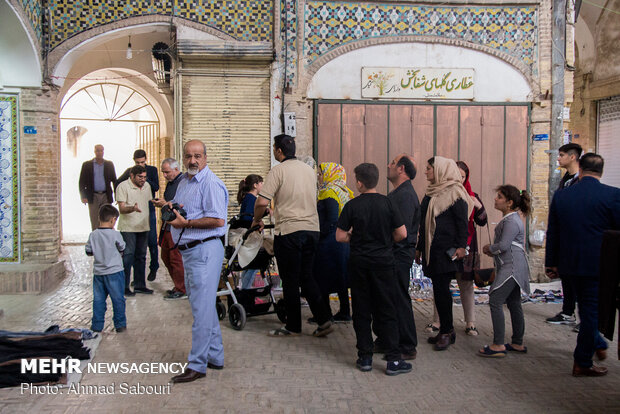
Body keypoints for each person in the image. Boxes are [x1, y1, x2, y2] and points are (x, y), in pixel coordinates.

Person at [252, 134, 335, 338]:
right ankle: (324, 319)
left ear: (279, 151)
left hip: (289, 231)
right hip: (312, 230)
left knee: (289, 280)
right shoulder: (309, 171)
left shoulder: (278, 170)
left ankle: (293, 326)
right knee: (306, 276)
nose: (273, 151)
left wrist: (256, 219)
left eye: (273, 148)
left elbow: (262, 202)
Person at [545, 153, 620, 377]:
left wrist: (551, 263)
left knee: (585, 309)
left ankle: (596, 343)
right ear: (601, 171)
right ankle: (583, 361)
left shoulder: (562, 196)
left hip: (568, 263)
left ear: (581, 169)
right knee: (590, 312)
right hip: (598, 265)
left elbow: (553, 232)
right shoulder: (612, 195)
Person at [336, 162, 411, 375]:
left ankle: (365, 357)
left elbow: (340, 236)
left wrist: (355, 237)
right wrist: (386, 240)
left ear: (359, 183)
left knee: (361, 310)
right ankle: (394, 360)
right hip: (384, 264)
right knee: (387, 309)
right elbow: (402, 233)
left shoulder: (352, 205)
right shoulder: (388, 203)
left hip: (359, 263)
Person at [167, 140, 229, 384]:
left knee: (201, 310)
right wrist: (173, 208)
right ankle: (215, 356)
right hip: (190, 252)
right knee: (201, 306)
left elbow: (217, 220)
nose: (193, 160)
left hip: (205, 250)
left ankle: (197, 364)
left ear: (206, 157)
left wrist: (186, 224)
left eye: (198, 156)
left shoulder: (211, 184)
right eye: (188, 156)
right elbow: (186, 209)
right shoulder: (184, 181)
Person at [416, 156, 472, 351]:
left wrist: (461, 246)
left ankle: (447, 331)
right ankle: (446, 331)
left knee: (442, 291)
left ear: (440, 170)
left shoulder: (456, 193)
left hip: (447, 252)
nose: (426, 171)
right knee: (439, 290)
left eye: (429, 168)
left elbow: (462, 224)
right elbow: (424, 224)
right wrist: (419, 247)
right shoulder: (432, 192)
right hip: (432, 249)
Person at [428, 161, 487, 336]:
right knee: (441, 284)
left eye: (462, 177)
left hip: (467, 245)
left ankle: (470, 322)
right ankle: (437, 321)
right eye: (456, 175)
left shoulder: (471, 195)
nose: (459, 180)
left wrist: (478, 206)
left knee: (466, 283)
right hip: (446, 247)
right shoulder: (441, 194)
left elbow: (482, 220)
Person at [478, 185, 531, 357]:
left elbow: (503, 246)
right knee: (514, 302)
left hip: (512, 266)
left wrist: (489, 248)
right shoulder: (512, 219)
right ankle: (517, 342)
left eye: (500, 197)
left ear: (509, 203)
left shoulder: (511, 221)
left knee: (495, 299)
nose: (495, 199)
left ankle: (498, 344)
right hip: (513, 265)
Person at [375, 154, 419, 359]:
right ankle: (387, 339)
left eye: (392, 163)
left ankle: (407, 345)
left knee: (399, 299)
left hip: (398, 256)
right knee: (388, 300)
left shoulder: (405, 196)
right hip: (391, 254)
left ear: (401, 169)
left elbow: (399, 231)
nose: (388, 165)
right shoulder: (399, 193)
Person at [546, 143, 582, 327]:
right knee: (566, 277)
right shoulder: (566, 179)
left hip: (577, 239)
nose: (558, 158)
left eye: (561, 155)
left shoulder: (581, 180)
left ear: (573, 156)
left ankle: (587, 321)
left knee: (580, 281)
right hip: (564, 238)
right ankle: (568, 312)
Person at [313, 162, 353, 323]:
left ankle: (325, 314)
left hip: (329, 242)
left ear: (330, 174)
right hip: (342, 242)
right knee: (341, 276)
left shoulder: (329, 192)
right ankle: (344, 312)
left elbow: (331, 219)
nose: (319, 176)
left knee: (322, 276)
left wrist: (318, 233)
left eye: (321, 173)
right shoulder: (344, 191)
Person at [116, 150, 160, 282]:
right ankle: (136, 279)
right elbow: (118, 182)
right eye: (137, 162)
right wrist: (121, 198)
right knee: (134, 250)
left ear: (146, 159)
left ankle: (154, 267)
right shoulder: (131, 172)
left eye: (142, 162)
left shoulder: (151, 170)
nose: (140, 164)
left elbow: (156, 187)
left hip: (148, 208)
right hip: (134, 212)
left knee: (152, 241)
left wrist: (145, 180)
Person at [85, 204, 126, 333]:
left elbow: (88, 251)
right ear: (113, 220)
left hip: (98, 273)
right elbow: (122, 247)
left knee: (98, 300)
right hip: (115, 272)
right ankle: (120, 325)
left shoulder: (93, 235)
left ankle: (97, 326)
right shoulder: (115, 234)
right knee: (118, 299)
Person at [152, 158, 186, 300]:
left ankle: (182, 288)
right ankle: (178, 285)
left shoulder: (184, 183)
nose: (165, 175)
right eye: (163, 173)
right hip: (167, 225)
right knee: (165, 256)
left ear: (176, 169)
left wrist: (165, 203)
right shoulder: (170, 184)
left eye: (167, 172)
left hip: (176, 227)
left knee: (175, 258)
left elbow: (181, 204)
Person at [116, 165, 152, 296]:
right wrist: (133, 208)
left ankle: (140, 285)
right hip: (128, 228)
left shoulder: (147, 186)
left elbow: (148, 202)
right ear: (132, 176)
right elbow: (122, 209)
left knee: (141, 257)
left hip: (143, 226)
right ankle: (124, 286)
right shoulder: (122, 187)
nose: (143, 180)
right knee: (128, 257)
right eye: (140, 177)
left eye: (144, 177)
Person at [79, 144, 117, 230]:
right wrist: (83, 196)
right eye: (97, 150)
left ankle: (106, 239)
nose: (99, 152)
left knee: (107, 218)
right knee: (95, 219)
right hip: (93, 196)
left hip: (105, 195)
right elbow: (82, 182)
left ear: (103, 152)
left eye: (101, 150)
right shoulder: (87, 165)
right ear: (94, 152)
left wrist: (117, 195)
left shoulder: (109, 164)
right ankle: (96, 240)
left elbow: (114, 180)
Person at [237, 174, 264, 289]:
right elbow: (247, 218)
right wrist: (256, 222)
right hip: (250, 237)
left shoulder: (248, 198)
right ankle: (245, 291)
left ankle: (244, 289)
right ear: (255, 185)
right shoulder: (251, 199)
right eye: (261, 183)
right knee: (253, 264)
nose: (263, 186)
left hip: (249, 236)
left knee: (250, 265)